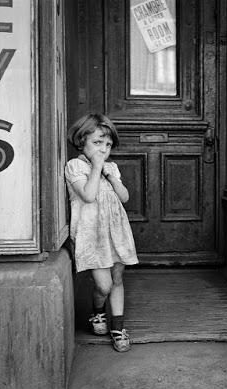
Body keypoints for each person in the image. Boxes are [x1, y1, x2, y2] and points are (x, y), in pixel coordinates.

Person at [65, 113, 138, 352]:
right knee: (104, 285)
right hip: (91, 235)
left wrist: (108, 173)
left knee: (117, 279)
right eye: (97, 143)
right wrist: (97, 167)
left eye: (107, 145)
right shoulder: (75, 166)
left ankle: (117, 327)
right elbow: (87, 195)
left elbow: (125, 197)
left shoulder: (111, 168)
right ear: (81, 141)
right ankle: (97, 312)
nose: (103, 149)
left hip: (115, 232)